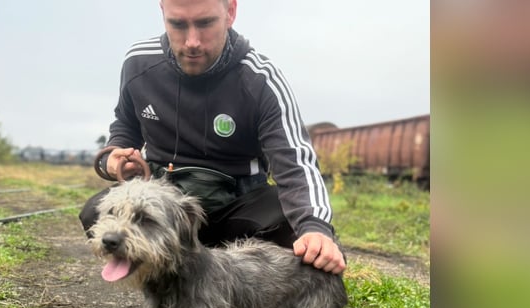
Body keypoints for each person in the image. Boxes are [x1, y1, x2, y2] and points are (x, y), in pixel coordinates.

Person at [79, 0, 346, 275]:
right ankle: (161, 279)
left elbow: (296, 163)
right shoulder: (138, 62)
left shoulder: (261, 79)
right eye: (178, 24)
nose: (192, 41)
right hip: (164, 212)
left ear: (230, 12)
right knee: (95, 213)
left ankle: (240, 289)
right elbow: (124, 127)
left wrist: (315, 228)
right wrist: (113, 157)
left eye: (205, 23)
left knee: (294, 228)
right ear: (163, 13)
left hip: (234, 213)